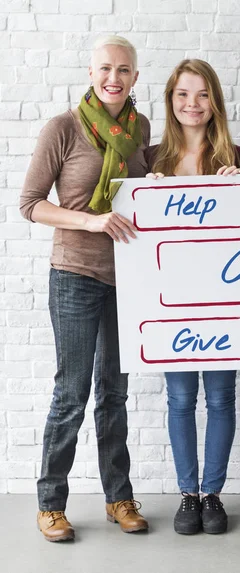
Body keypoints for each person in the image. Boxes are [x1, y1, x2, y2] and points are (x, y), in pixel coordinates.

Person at [20, 35, 150, 542]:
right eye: (104, 69)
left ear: (135, 77)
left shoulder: (139, 129)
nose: (113, 78)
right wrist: (91, 222)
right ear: (91, 73)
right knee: (71, 395)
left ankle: (119, 498)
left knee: (114, 395)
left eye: (123, 70)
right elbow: (31, 203)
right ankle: (51, 504)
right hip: (74, 275)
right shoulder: (64, 127)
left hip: (129, 280)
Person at [145, 59, 240, 536]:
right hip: (171, 304)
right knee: (181, 399)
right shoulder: (151, 159)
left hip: (224, 303)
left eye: (203, 95)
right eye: (184, 95)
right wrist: (147, 194)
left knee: (222, 398)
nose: (193, 104)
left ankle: (213, 495)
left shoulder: (235, 157)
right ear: (170, 102)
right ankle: (188, 495)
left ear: (215, 102)